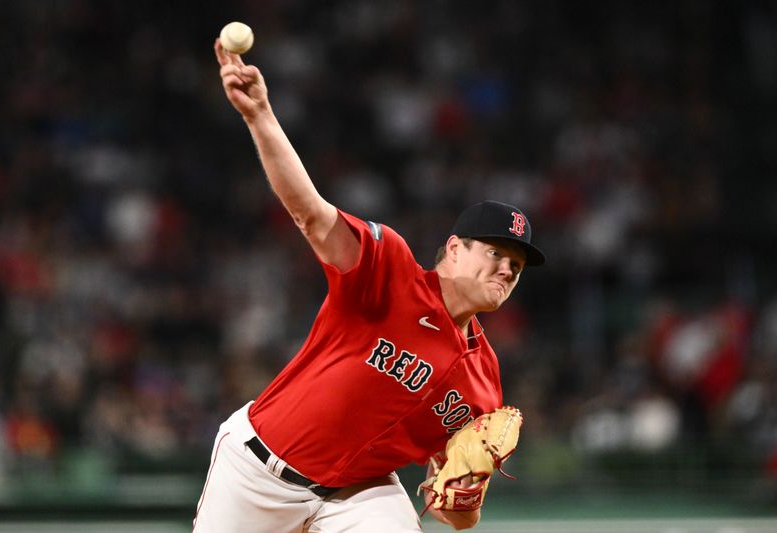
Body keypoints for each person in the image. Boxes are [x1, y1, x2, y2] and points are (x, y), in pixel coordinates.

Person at [192, 39, 546, 533]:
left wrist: (462, 498)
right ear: (453, 249)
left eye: (517, 264)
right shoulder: (390, 271)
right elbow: (310, 214)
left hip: (359, 492)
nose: (508, 269)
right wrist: (261, 117)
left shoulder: (483, 383)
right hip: (257, 470)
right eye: (496, 254)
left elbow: (456, 515)